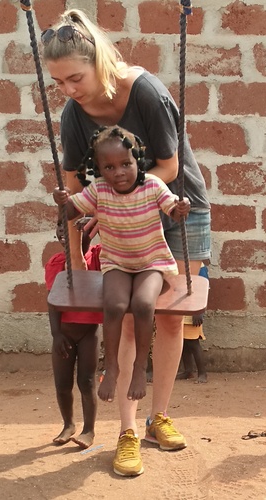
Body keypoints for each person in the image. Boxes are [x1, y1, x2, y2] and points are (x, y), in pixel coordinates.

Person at [42, 8, 212, 475]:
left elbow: (170, 167)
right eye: (59, 82)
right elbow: (75, 183)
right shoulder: (74, 115)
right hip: (116, 226)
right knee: (133, 323)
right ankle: (128, 430)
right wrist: (78, 250)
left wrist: (122, 203)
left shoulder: (147, 93)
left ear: (97, 59)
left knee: (173, 319)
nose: (69, 90)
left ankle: (160, 417)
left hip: (176, 211)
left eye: (75, 77)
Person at [53, 126, 190, 476]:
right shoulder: (98, 190)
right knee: (113, 306)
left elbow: (171, 210)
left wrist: (180, 209)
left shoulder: (152, 186)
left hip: (152, 263)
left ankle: (139, 375)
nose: (119, 173)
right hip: (116, 263)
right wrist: (64, 203)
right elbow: (72, 215)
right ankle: (111, 368)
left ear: (137, 160)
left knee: (143, 306)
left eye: (125, 164)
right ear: (99, 169)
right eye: (109, 167)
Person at [46, 216, 103, 449]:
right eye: (62, 227)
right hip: (64, 333)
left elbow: (111, 243)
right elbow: (51, 300)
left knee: (87, 381)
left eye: (81, 228)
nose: (67, 231)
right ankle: (68, 424)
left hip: (89, 332)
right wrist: (56, 334)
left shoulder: (98, 257)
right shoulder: (56, 263)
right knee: (62, 383)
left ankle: (89, 430)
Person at [177, 263, 209, 384]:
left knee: (193, 342)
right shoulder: (180, 262)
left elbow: (204, 289)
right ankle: (188, 371)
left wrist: (199, 312)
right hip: (181, 307)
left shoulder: (200, 266)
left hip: (193, 309)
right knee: (183, 341)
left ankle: (202, 373)